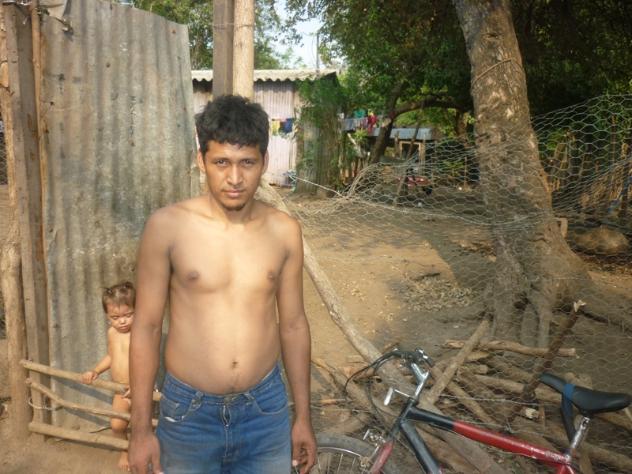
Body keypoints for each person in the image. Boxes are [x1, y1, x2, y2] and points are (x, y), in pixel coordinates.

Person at [128, 95, 316, 474]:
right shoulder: (167, 227)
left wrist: (303, 417)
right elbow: (146, 326)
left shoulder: (284, 231)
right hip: (189, 416)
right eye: (221, 163)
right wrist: (140, 429)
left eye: (247, 162)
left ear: (264, 161)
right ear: (201, 160)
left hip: (265, 412)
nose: (234, 178)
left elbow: (294, 325)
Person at [82, 281, 135, 471]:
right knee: (117, 426)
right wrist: (95, 371)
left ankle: (141, 452)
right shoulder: (112, 333)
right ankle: (124, 451)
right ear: (107, 316)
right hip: (119, 390)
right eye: (115, 317)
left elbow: (148, 361)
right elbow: (111, 356)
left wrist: (138, 385)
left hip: (139, 388)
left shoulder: (139, 333)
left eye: (128, 315)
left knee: (141, 426)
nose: (122, 321)